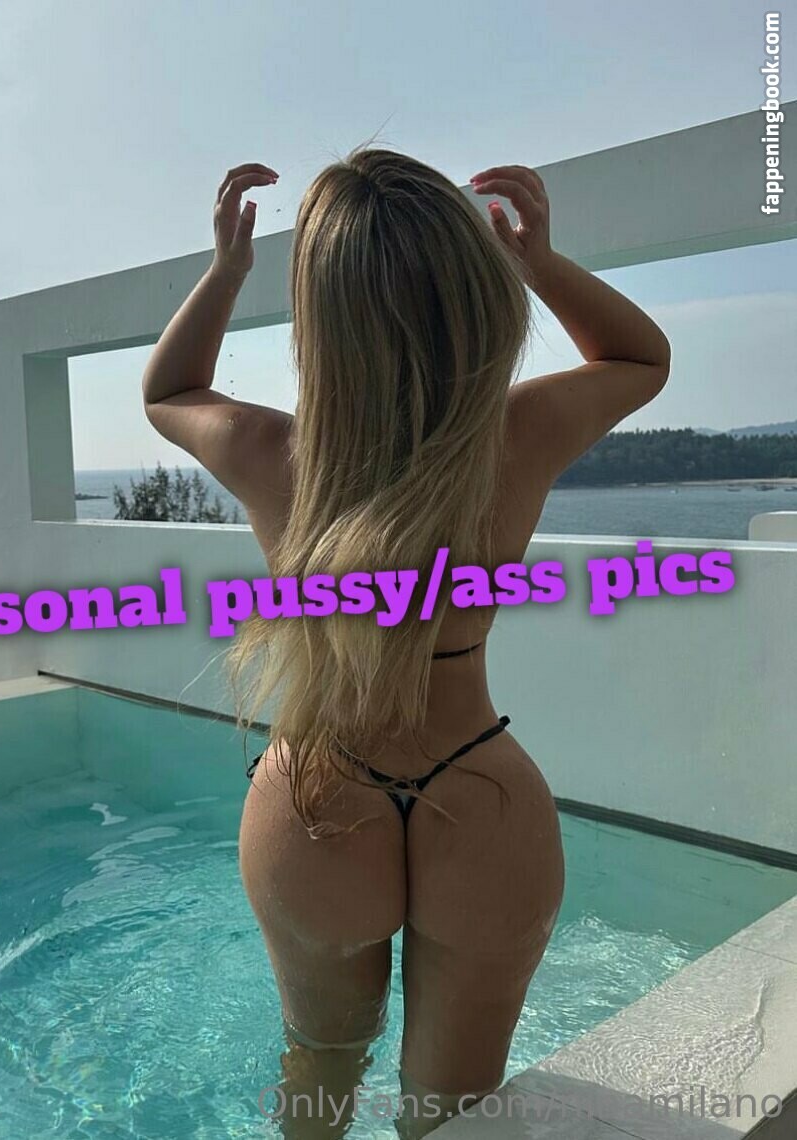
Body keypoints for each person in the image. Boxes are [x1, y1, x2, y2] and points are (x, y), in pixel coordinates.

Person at [141, 150, 671, 1137]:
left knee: (318, 1073)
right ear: (476, 300)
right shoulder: (518, 435)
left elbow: (167, 390)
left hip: (316, 794)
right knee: (451, 1115)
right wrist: (542, 263)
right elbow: (642, 359)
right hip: (480, 788)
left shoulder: (273, 453)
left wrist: (225, 270)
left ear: (319, 322)